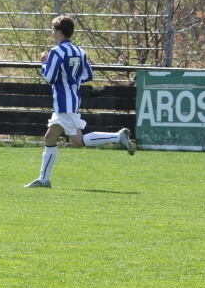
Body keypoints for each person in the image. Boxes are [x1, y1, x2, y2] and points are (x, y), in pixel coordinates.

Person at [25, 15, 135, 188]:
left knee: (78, 141)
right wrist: (72, 80)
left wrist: (44, 63)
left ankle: (117, 137)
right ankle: (44, 180)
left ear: (59, 32)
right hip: (72, 99)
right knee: (50, 137)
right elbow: (89, 74)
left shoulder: (56, 52)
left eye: (53, 31)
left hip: (63, 102)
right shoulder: (79, 51)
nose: (52, 34)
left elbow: (49, 76)